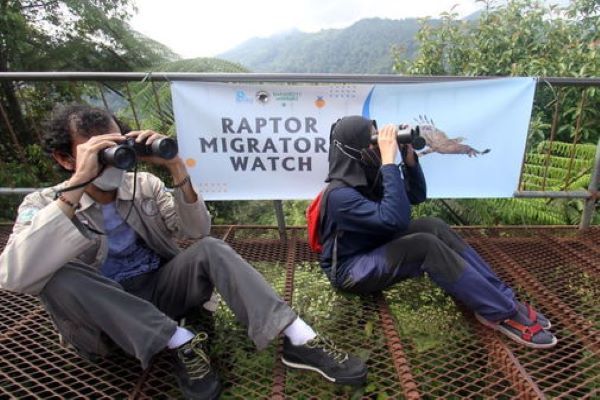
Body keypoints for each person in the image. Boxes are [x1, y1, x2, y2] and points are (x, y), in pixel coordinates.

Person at [0, 105, 367, 400]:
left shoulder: (142, 184)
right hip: (106, 319)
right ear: (66, 159)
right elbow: (13, 276)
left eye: (114, 148)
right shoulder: (43, 203)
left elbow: (197, 231)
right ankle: (180, 342)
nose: (110, 162)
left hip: (161, 291)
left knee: (212, 248)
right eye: (96, 153)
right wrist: (74, 191)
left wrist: (176, 167)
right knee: (54, 273)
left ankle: (297, 337)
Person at [317, 115, 558, 349]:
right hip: (350, 270)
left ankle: (502, 298)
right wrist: (389, 163)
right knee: (425, 246)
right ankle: (500, 313)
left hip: (374, 248)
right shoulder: (339, 196)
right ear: (352, 149)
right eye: (372, 140)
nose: (378, 145)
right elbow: (396, 221)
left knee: (433, 225)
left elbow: (415, 196)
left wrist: (408, 158)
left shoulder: (370, 174)